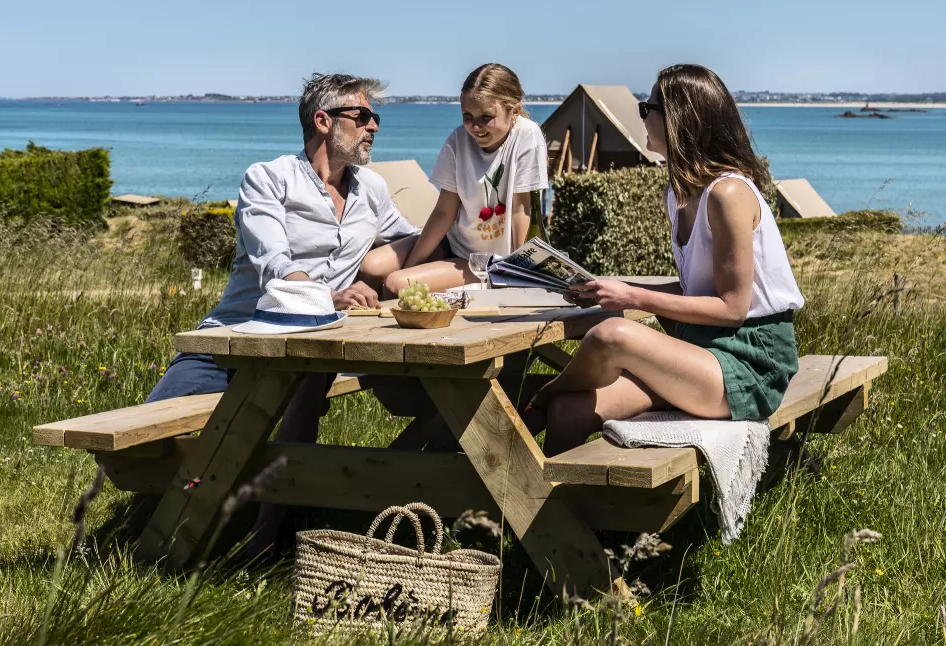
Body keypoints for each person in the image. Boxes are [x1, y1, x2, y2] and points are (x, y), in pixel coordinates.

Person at [144, 72, 420, 555]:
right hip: (230, 342)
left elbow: (413, 240)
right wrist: (331, 295)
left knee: (308, 377)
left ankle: (266, 536)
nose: (374, 126)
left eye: (375, 117)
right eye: (362, 116)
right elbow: (276, 265)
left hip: (313, 345)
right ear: (323, 121)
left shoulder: (372, 190)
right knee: (145, 444)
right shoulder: (268, 179)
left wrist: (388, 276)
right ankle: (162, 530)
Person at [526, 64, 805, 453]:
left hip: (750, 362)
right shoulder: (677, 195)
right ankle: (552, 488)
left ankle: (534, 405)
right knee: (569, 412)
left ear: (680, 119)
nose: (642, 117)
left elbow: (732, 308)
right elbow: (695, 290)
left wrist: (633, 297)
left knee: (611, 335)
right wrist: (612, 290)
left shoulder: (728, 195)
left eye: (647, 108)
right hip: (700, 351)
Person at [359, 63, 549, 297]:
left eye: (486, 117)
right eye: (467, 116)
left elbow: (521, 211)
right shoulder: (458, 140)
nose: (475, 126)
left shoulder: (527, 135)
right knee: (371, 267)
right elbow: (444, 212)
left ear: (515, 111)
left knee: (396, 284)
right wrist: (412, 264)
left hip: (488, 262)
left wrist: (517, 273)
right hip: (453, 242)